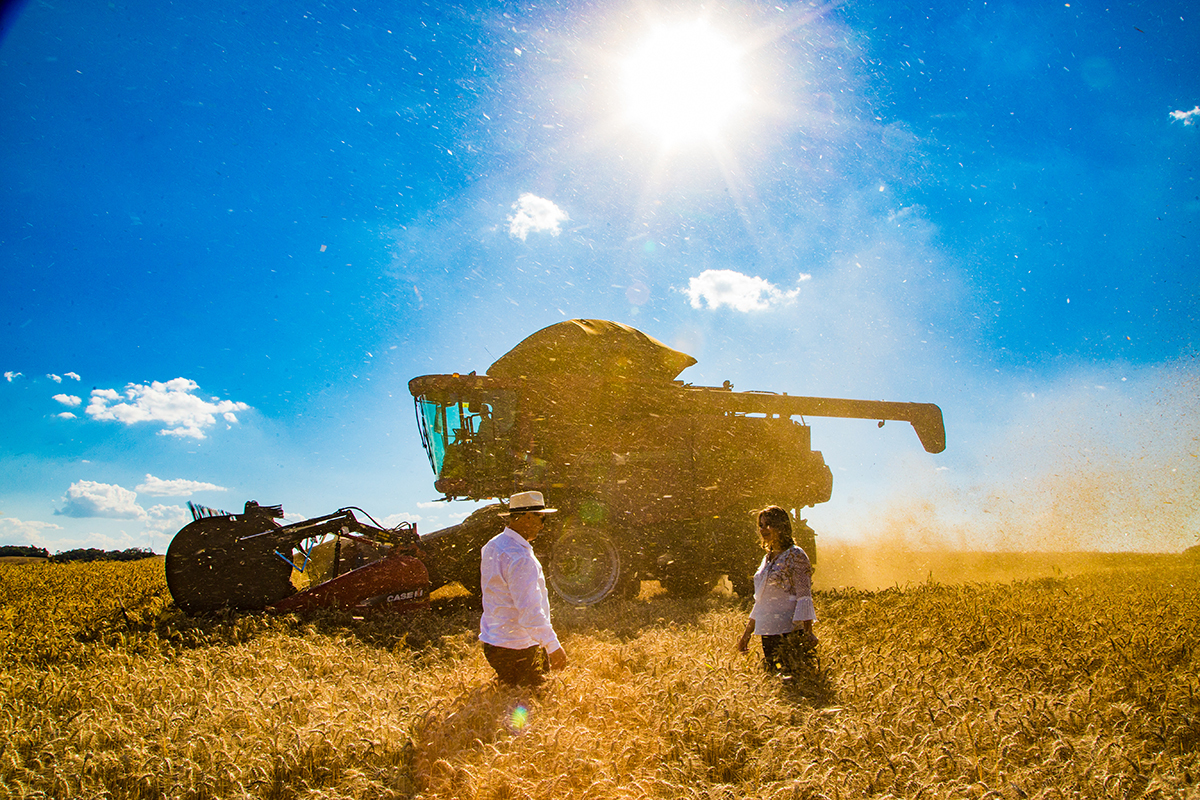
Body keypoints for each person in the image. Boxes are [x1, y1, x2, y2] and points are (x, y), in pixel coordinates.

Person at [479, 490, 569, 686]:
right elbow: (529, 611)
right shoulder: (520, 558)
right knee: (535, 706)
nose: (542, 526)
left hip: (495, 644)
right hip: (518, 648)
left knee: (508, 700)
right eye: (542, 519)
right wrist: (553, 646)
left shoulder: (492, 545)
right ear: (527, 517)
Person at [736, 505, 818, 673]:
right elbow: (762, 601)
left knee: (795, 681)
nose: (764, 529)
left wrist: (808, 632)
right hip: (768, 633)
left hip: (790, 633)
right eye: (761, 525)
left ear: (782, 526)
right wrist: (747, 634)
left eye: (769, 524)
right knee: (776, 680)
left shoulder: (796, 555)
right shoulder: (767, 558)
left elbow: (804, 596)